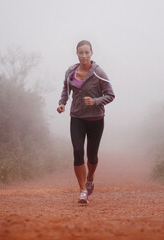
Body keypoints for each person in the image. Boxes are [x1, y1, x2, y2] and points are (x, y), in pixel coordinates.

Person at [57, 40, 115, 204]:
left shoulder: (99, 73)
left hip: (96, 119)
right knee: (77, 151)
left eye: (86, 52)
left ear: (91, 53)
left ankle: (90, 177)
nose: (83, 55)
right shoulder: (70, 72)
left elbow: (111, 95)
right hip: (77, 117)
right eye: (80, 52)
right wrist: (62, 103)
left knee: (92, 156)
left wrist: (96, 101)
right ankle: (83, 190)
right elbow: (66, 90)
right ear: (77, 53)